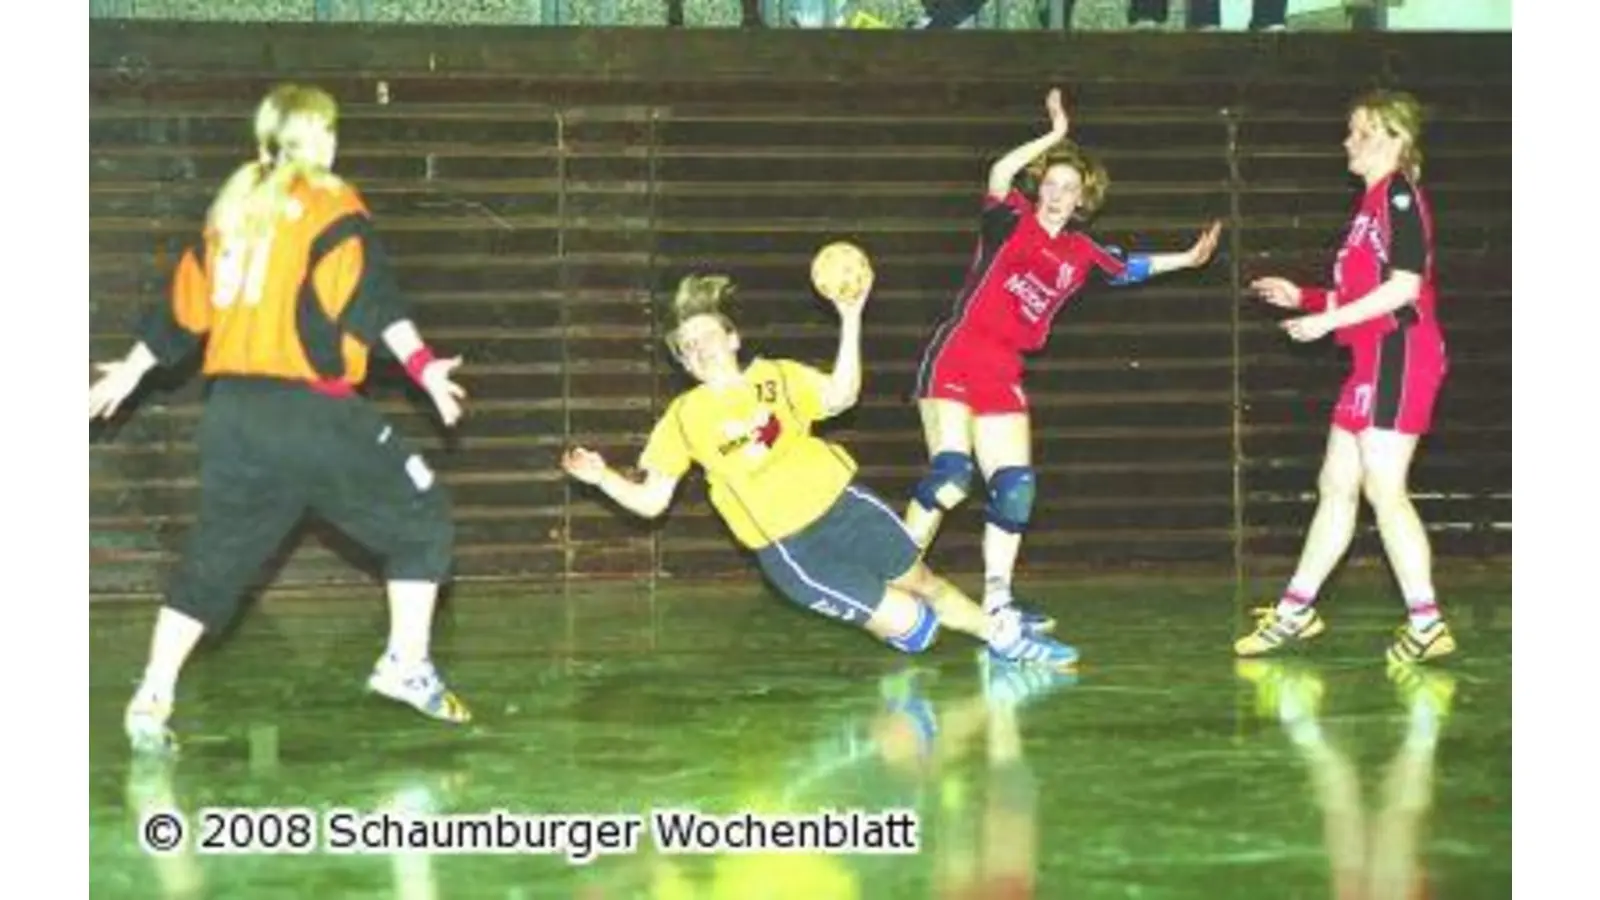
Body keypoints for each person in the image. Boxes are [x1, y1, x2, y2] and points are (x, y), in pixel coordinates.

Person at [89, 83, 473, 754]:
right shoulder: (330, 205)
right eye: (330, 130)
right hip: (309, 410)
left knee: (216, 560)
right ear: (317, 136)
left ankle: (153, 694)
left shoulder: (231, 210)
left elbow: (183, 313)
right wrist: (424, 368)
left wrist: (129, 368)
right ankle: (406, 664)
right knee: (424, 517)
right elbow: (371, 302)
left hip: (232, 417)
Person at [561, 272, 1077, 669]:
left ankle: (1004, 639)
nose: (699, 349)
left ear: (733, 339)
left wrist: (851, 318)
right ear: (684, 362)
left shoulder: (778, 376)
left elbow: (842, 394)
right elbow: (652, 502)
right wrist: (603, 477)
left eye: (707, 337)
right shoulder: (682, 418)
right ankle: (909, 643)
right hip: (791, 548)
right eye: (687, 347)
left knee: (926, 581)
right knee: (918, 628)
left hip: (845, 506)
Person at [906, 86, 1221, 637]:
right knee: (952, 475)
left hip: (1004, 368)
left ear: (1083, 199)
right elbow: (999, 172)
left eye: (1068, 188)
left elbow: (1129, 268)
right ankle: (895, 568)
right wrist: (1053, 136)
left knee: (1015, 486)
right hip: (958, 354)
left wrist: (1188, 259)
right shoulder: (1010, 220)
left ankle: (999, 601)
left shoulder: (1081, 253)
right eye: (1050, 184)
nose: (1056, 195)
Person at [1234, 90, 1455, 665]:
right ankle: (1297, 608)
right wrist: (1303, 297)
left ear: (1394, 138)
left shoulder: (1399, 195)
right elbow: (1362, 294)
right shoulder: (1369, 207)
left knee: (1384, 488)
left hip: (1401, 354)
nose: (1346, 142)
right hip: (1370, 359)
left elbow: (1404, 288)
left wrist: (1325, 320)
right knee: (1337, 485)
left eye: (1359, 132)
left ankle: (1427, 621)